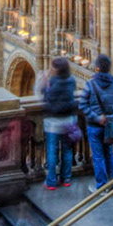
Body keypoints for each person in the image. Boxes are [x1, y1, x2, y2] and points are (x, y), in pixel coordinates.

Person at [79, 53, 113, 189]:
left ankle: (102, 186)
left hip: (94, 125)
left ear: (97, 68)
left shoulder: (90, 84)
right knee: (109, 154)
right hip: (110, 126)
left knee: (98, 157)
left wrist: (97, 118)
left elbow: (82, 105)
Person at [40, 56, 78, 189]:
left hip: (53, 123)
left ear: (56, 70)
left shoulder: (52, 82)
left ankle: (51, 181)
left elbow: (45, 97)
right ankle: (66, 178)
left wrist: (45, 82)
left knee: (52, 151)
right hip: (68, 121)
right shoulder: (72, 80)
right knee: (67, 150)